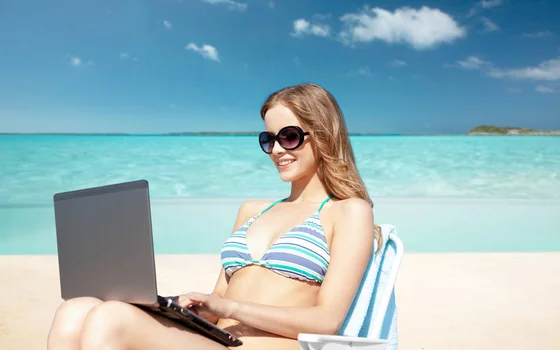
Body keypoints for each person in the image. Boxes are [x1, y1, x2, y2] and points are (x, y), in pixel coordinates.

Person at [47, 83, 383, 350]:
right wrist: (196, 307)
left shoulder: (349, 212)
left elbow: (327, 321)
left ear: (323, 136)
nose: (278, 149)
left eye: (290, 136)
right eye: (268, 139)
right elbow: (219, 299)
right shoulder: (253, 210)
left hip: (263, 346)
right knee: (75, 309)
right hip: (217, 338)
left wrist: (228, 309)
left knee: (112, 318)